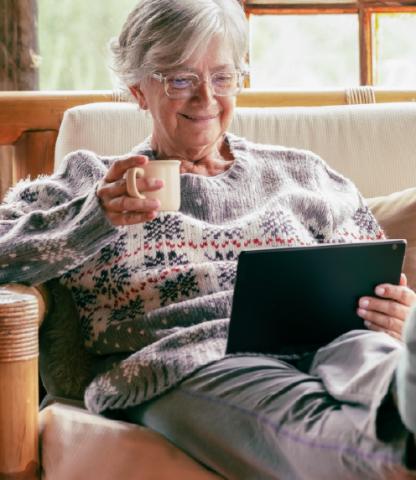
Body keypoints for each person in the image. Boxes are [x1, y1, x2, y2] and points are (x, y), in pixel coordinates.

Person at [1, 0, 416, 478]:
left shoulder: (303, 174)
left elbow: (376, 267)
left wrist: (397, 312)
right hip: (188, 360)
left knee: (375, 363)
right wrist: (93, 216)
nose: (206, 99)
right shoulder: (92, 181)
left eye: (222, 78)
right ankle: (389, 455)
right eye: (181, 80)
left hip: (332, 340)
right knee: (298, 414)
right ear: (138, 89)